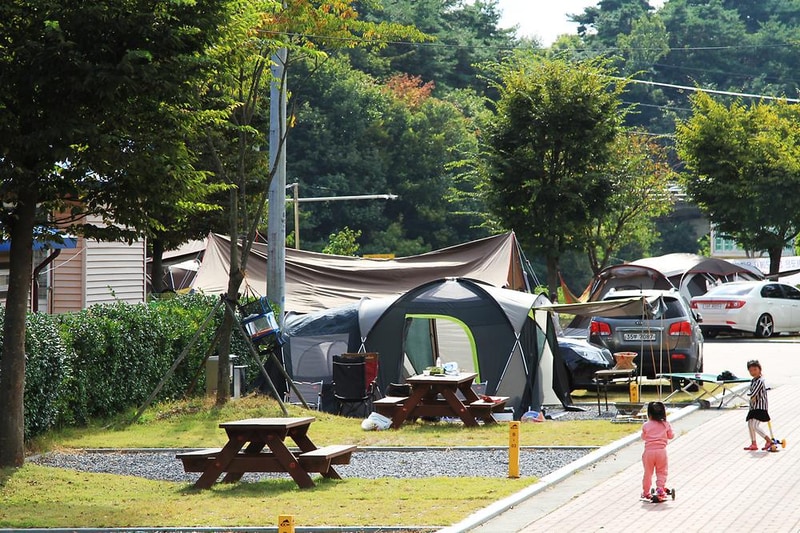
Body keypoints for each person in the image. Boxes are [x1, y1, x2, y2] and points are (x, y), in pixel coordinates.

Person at [641, 401, 674, 501]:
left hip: (649, 452)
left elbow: (643, 437)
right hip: (661, 452)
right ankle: (660, 488)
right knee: (662, 471)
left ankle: (646, 492)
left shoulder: (646, 425)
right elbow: (671, 436)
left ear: (649, 414)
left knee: (648, 472)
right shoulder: (666, 424)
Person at [743, 359, 771, 451]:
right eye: (750, 370)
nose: (753, 372)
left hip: (760, 407)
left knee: (755, 425)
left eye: (755, 370)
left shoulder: (760, 381)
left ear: (759, 369)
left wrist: (750, 397)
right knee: (750, 424)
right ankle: (753, 443)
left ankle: (768, 440)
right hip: (753, 407)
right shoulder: (753, 381)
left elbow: (753, 394)